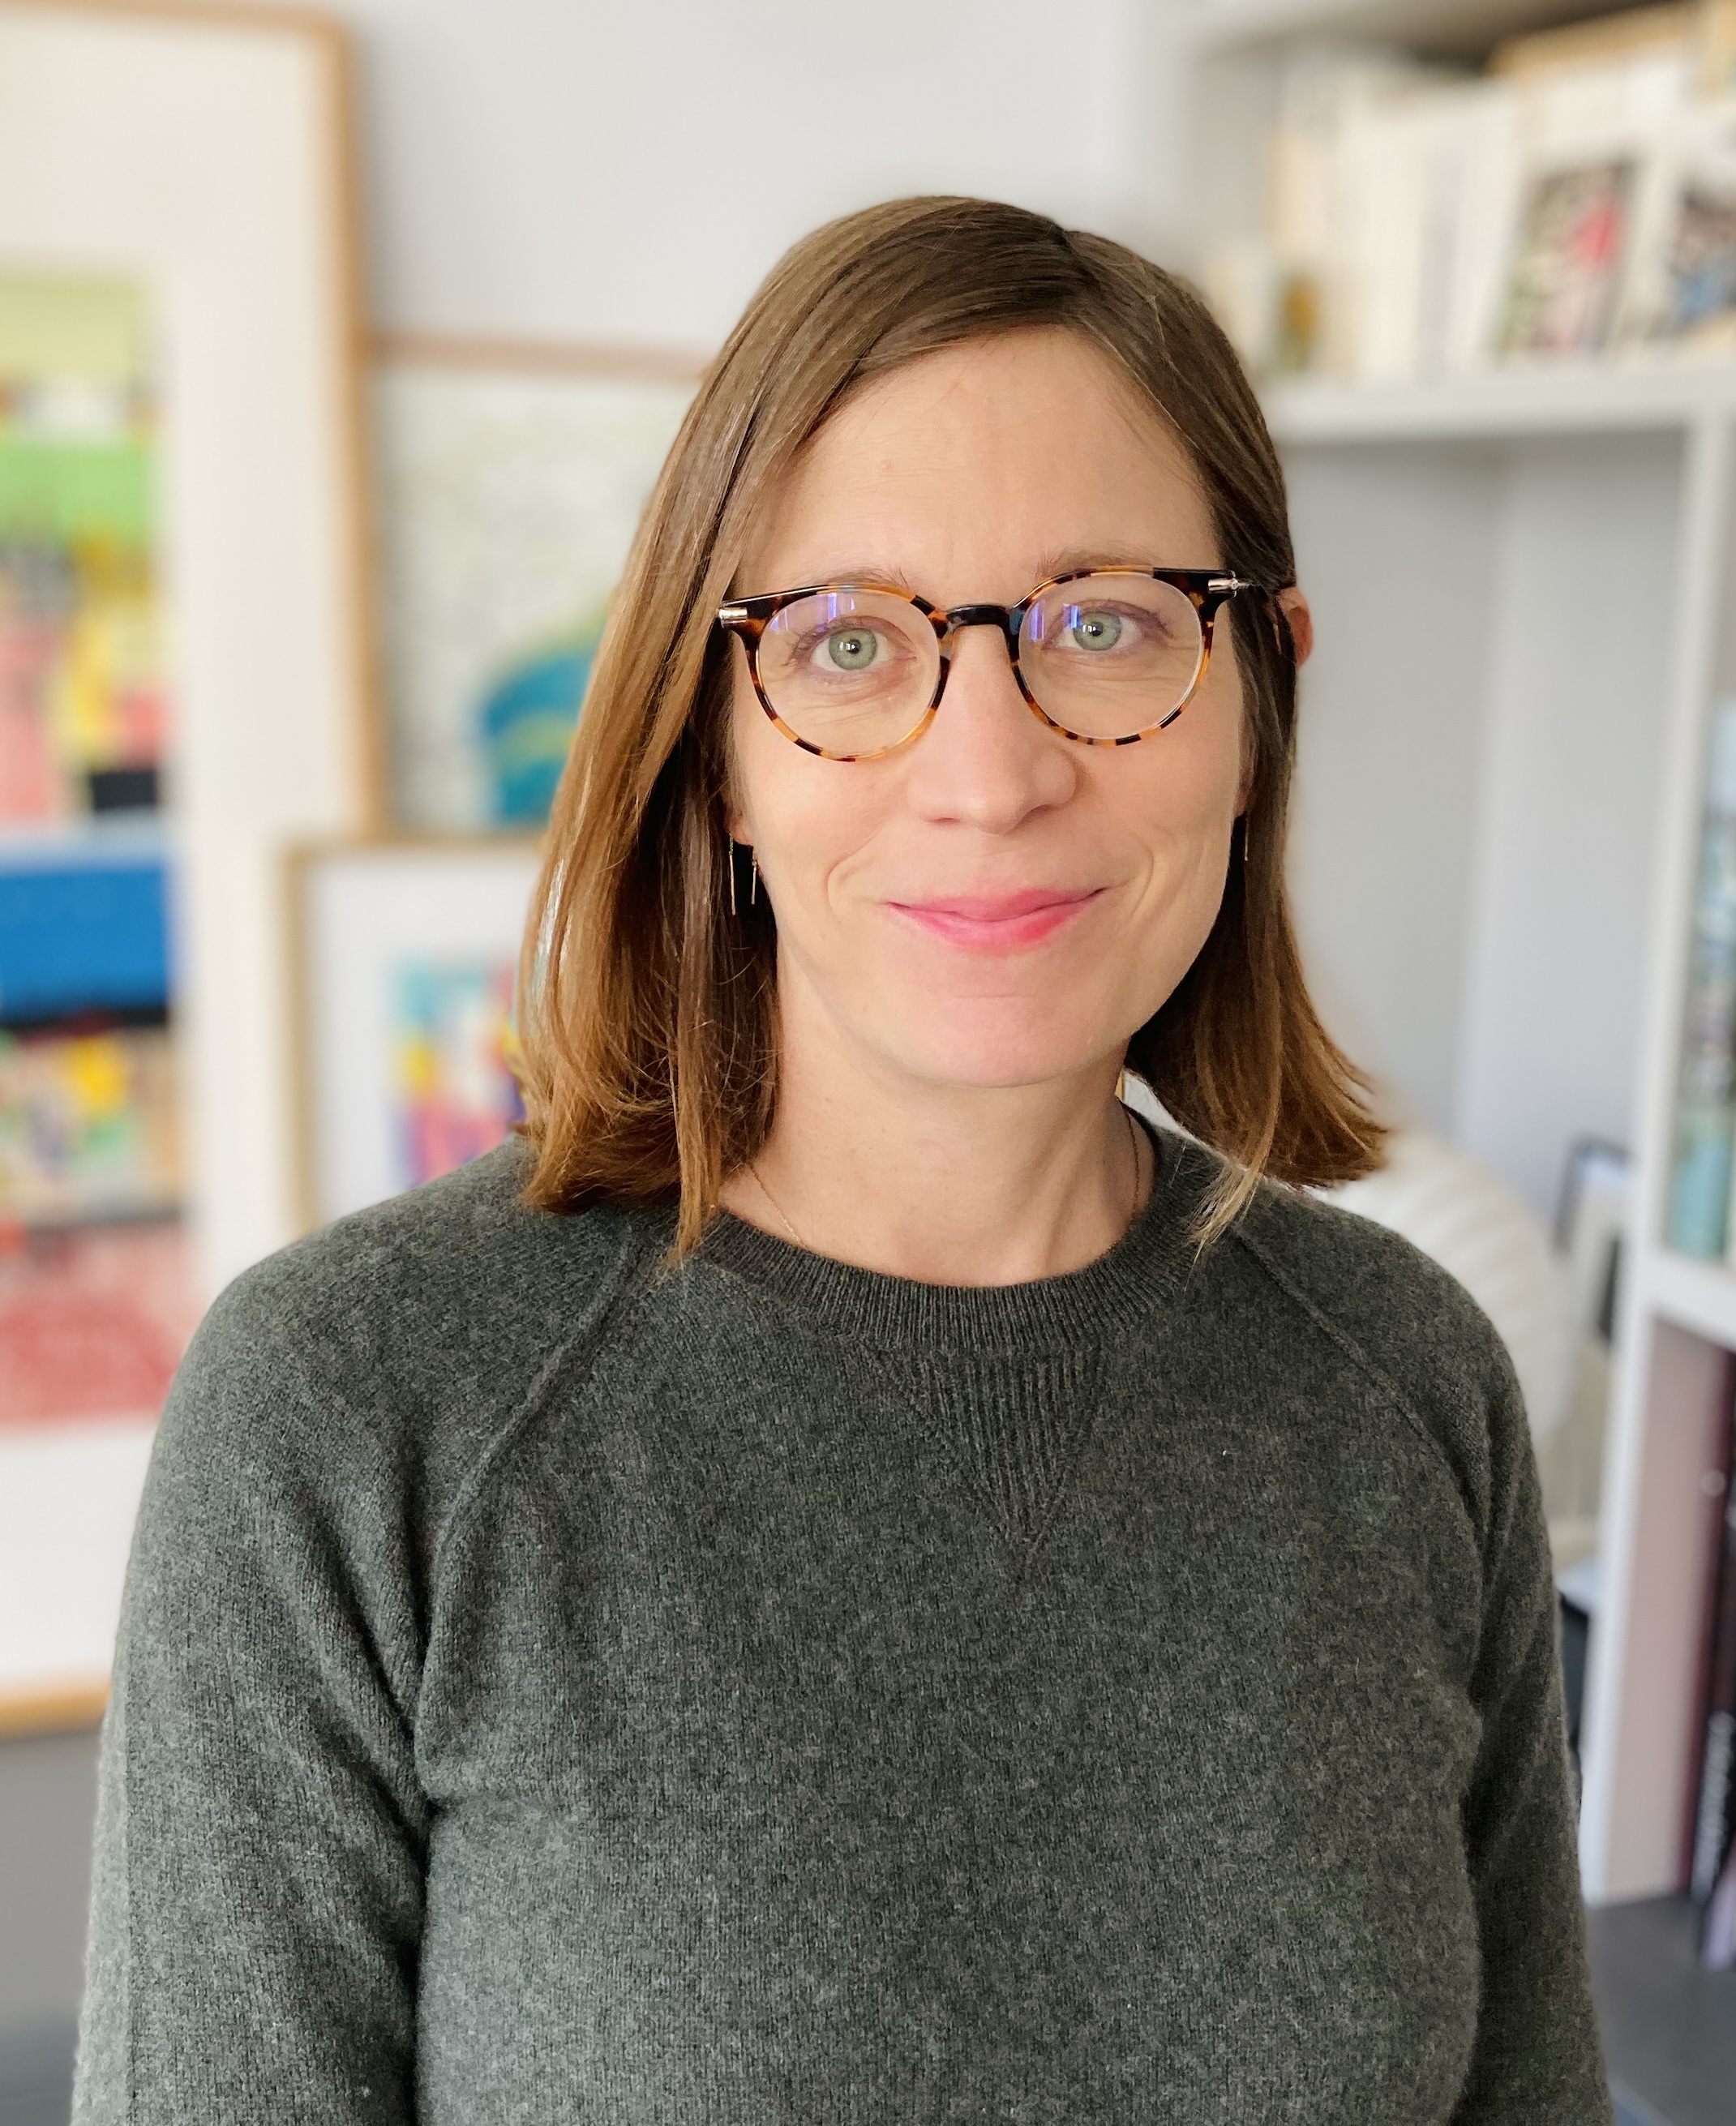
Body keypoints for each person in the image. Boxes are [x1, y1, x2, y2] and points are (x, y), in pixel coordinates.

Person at [73, 197, 1610, 2123]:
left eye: (1104, 625)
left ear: (1262, 694)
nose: (991, 773)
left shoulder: (1412, 1382)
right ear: (718, 750)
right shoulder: (352, 1415)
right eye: (852, 644)